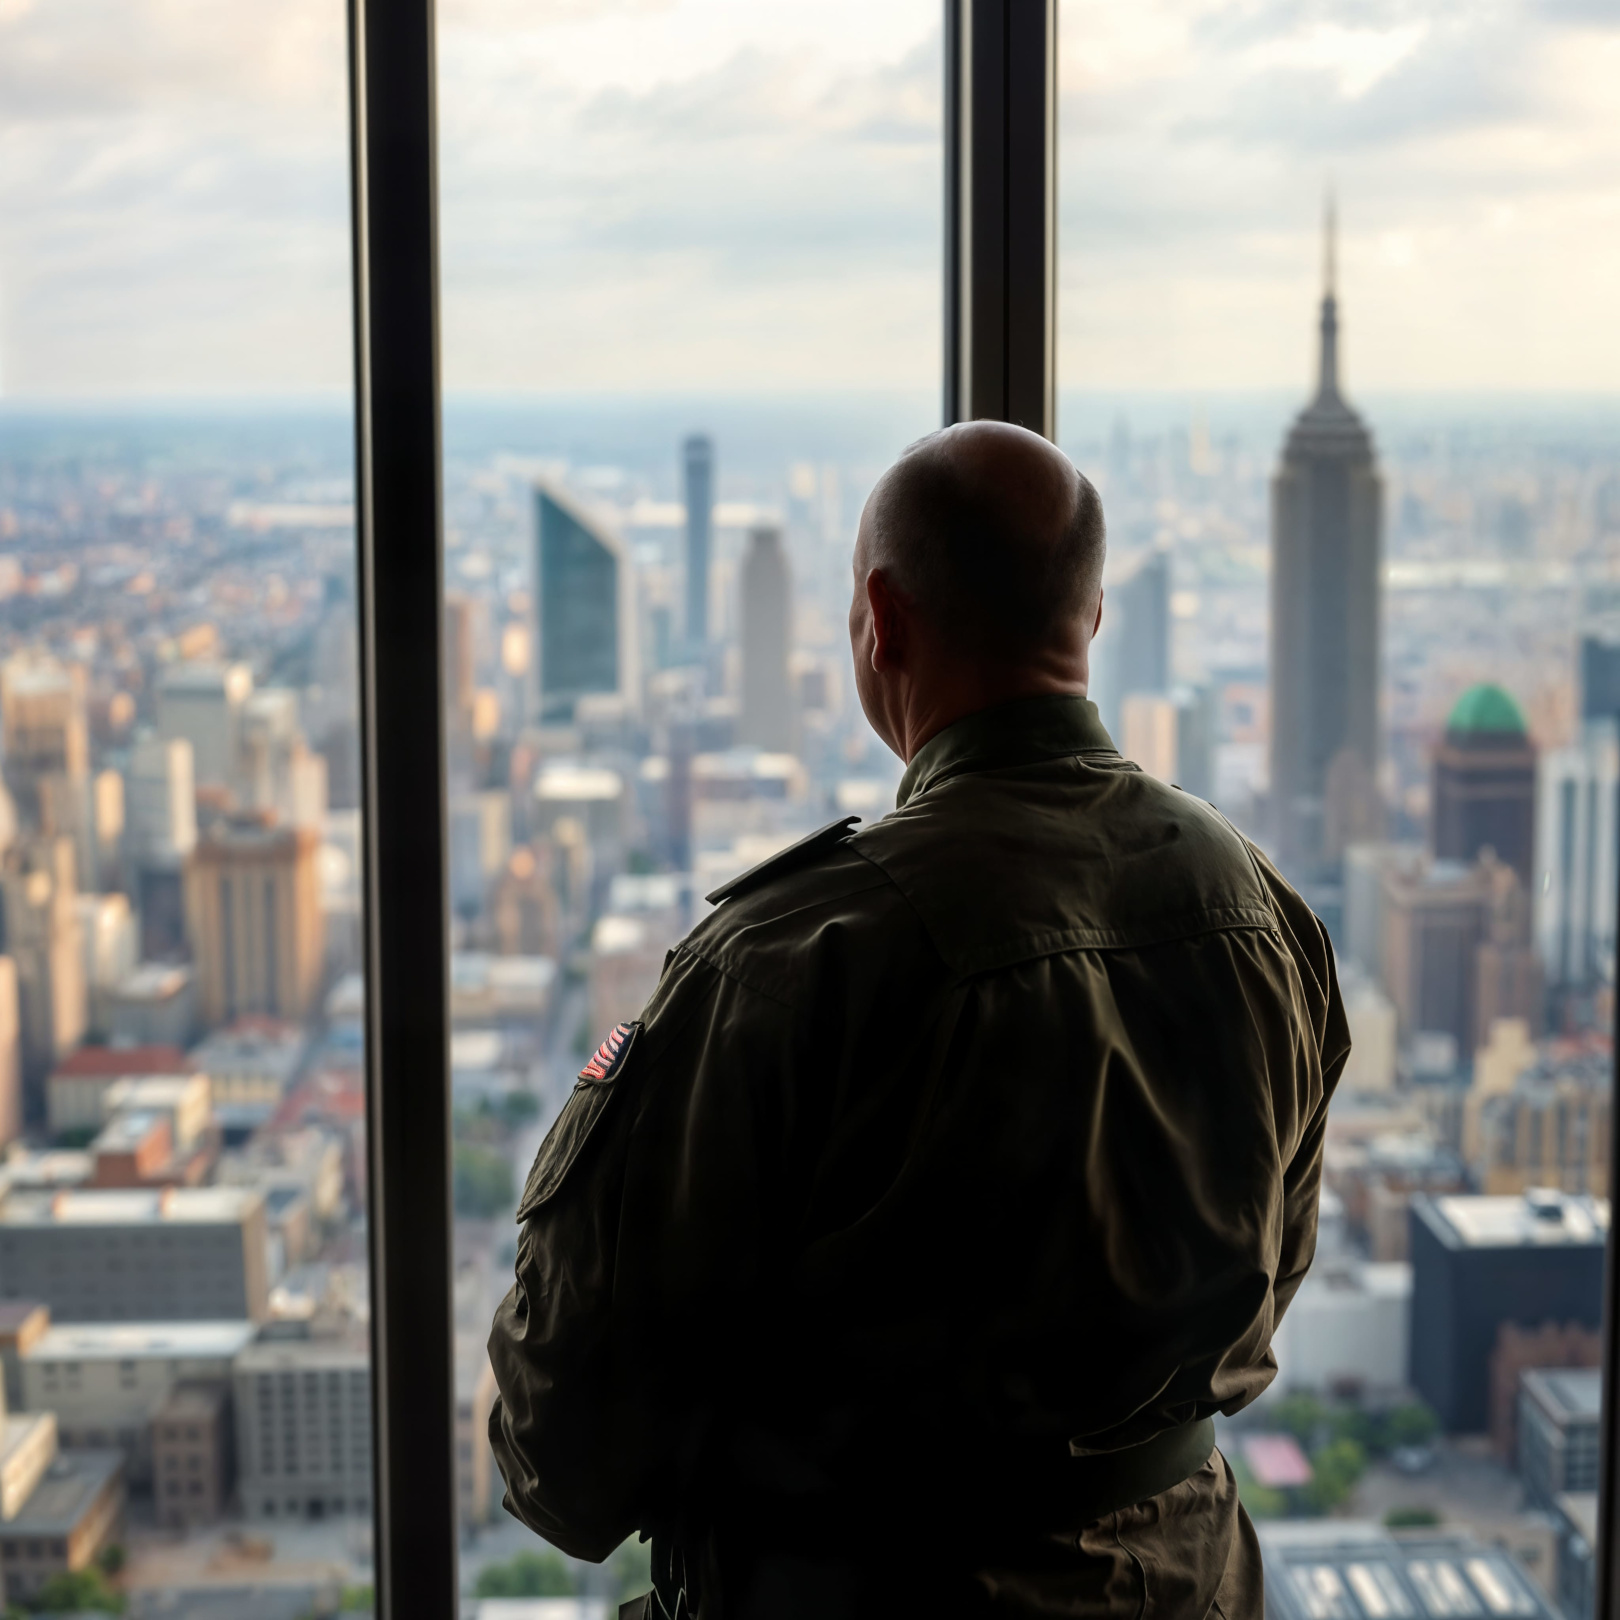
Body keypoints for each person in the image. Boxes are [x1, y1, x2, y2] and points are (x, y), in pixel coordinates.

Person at [488, 421, 1349, 1619]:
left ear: (880, 619)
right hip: (1190, 1585)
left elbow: (564, 1457)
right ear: (1089, 622)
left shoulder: (791, 963)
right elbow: (1261, 1297)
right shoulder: (1264, 916)